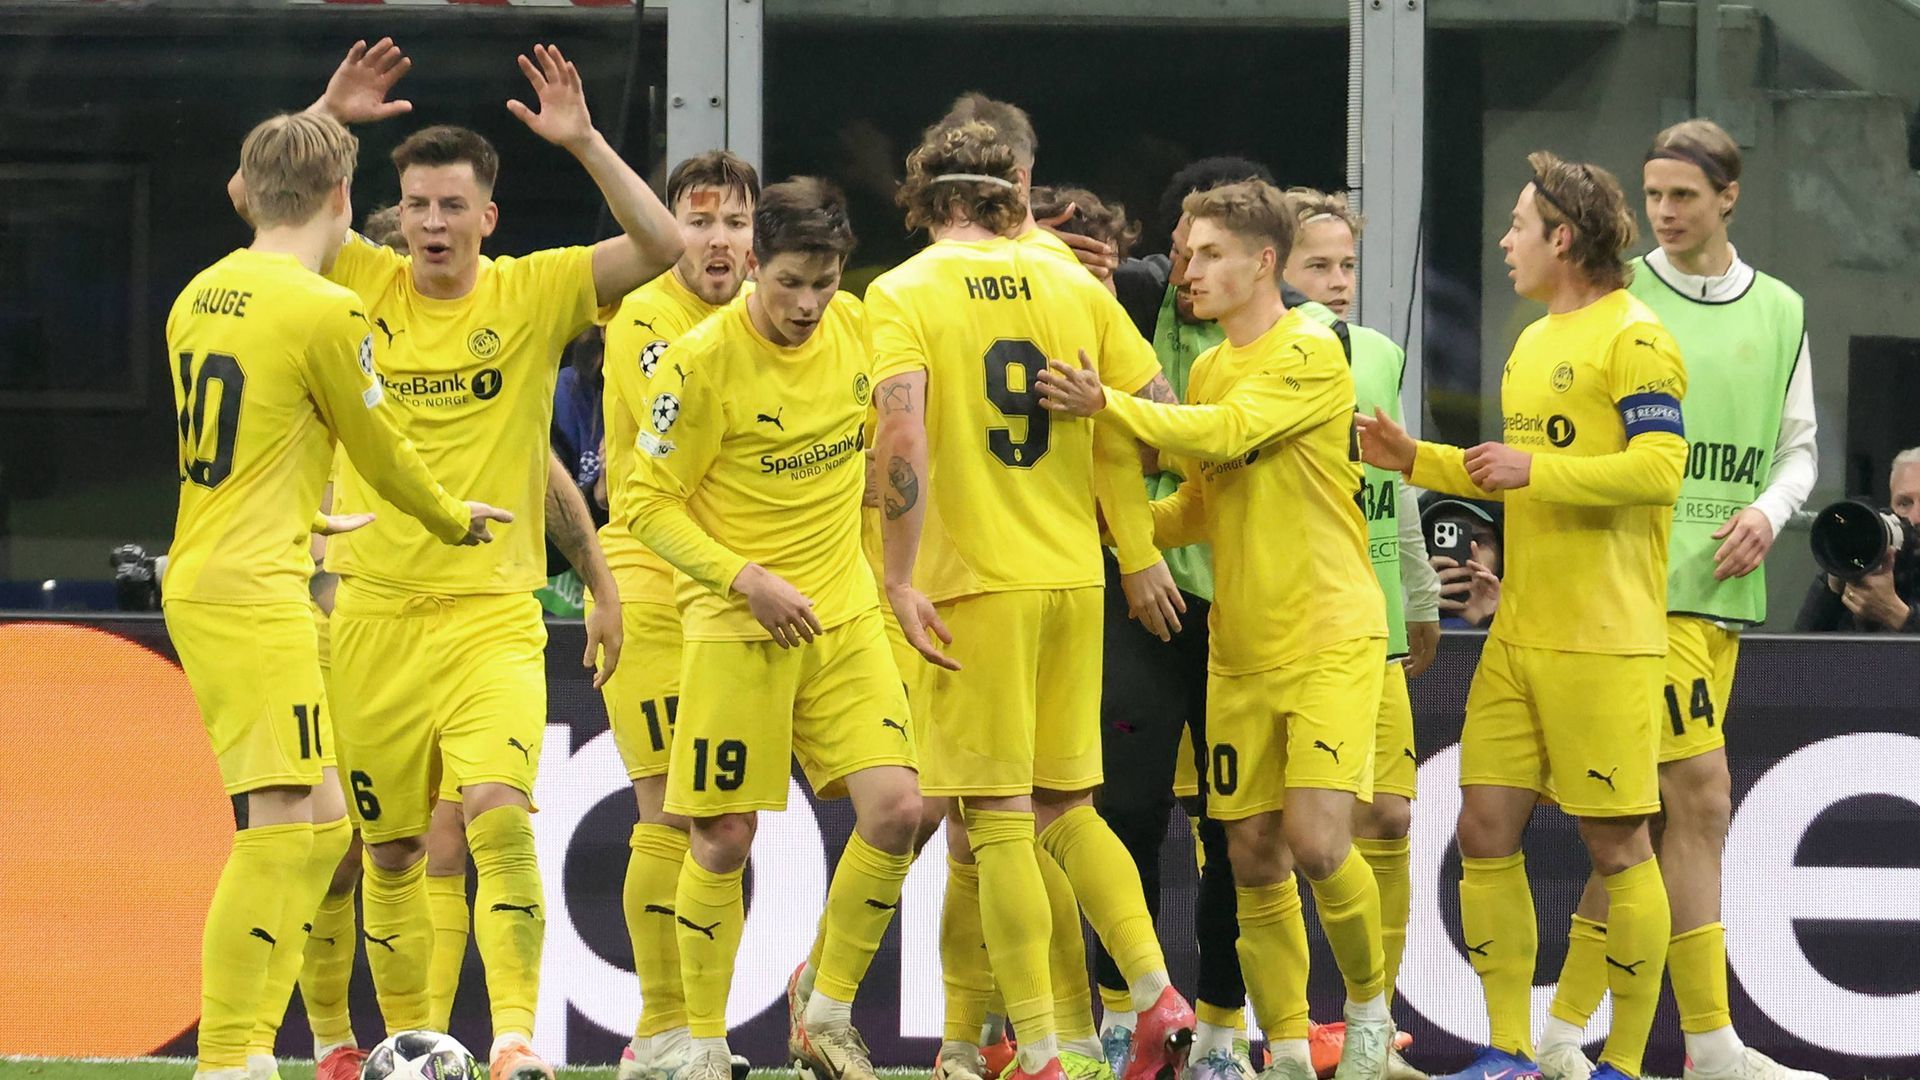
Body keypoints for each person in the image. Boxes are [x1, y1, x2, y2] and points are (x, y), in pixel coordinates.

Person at [228, 38, 683, 1080]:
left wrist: (582, 141)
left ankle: (516, 1040)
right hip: (373, 613)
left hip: (492, 614)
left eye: (452, 206)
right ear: (393, 211)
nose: (433, 223)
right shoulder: (356, 279)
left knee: (496, 815)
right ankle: (404, 1048)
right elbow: (258, 204)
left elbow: (658, 244)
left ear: (487, 216)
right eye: (418, 204)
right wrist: (328, 117)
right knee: (383, 853)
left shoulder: (532, 294)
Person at [166, 109, 506, 1080]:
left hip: (219, 565)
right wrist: (449, 516)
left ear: (246, 189)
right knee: (280, 824)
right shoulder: (327, 310)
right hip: (255, 593)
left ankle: (260, 1044)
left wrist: (303, 520)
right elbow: (381, 450)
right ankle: (229, 1058)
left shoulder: (202, 292)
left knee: (319, 825)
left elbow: (239, 445)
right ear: (345, 199)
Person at [1036, 179, 1395, 1080]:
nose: (1187, 271)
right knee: (1251, 851)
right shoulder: (1205, 366)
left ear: (1262, 262)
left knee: (1317, 842)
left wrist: (1106, 404)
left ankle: (1368, 1017)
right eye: (1187, 253)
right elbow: (1199, 501)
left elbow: (1226, 433)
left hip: (1328, 632)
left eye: (1207, 255)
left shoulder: (1312, 349)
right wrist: (1114, 532)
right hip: (1241, 647)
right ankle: (1278, 1048)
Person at [870, 109, 1194, 1080]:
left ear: (925, 198)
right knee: (1069, 807)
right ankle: (1154, 992)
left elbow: (902, 438)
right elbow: (1161, 420)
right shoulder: (1070, 283)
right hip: (1070, 575)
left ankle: (1046, 1053)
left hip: (977, 580)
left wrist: (895, 574)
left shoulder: (903, 290)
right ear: (1013, 192)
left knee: (1000, 819)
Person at [1356, 152, 1687, 1080]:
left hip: (1606, 639)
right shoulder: (1532, 338)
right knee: (1482, 831)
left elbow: (1660, 470)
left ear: (1563, 237)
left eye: (1517, 226)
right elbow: (1502, 471)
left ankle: (1622, 1059)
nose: (1504, 241)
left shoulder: (1639, 337)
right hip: (1519, 633)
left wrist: (1535, 470)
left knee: (1618, 844)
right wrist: (1409, 454)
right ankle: (1506, 1052)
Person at [1537, 118, 1825, 1080]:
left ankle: (1564, 1028)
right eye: (1653, 195)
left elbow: (1799, 448)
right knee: (1697, 801)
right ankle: (1708, 1046)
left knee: (1649, 824)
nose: (1663, 213)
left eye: (1683, 197)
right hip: (1635, 595)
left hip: (1721, 597)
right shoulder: (1622, 299)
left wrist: (1773, 514)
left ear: (1729, 197)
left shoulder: (1780, 308)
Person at [623, 177, 923, 1080]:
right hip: (736, 624)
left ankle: (823, 1007)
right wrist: (744, 578)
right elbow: (643, 501)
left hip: (841, 616)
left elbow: (892, 455)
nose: (806, 304)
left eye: (824, 282)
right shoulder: (697, 362)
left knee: (901, 810)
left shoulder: (861, 326)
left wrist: (897, 581)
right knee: (721, 837)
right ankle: (703, 1045)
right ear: (755, 266)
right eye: (791, 281)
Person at [600, 148, 759, 1080]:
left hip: (739, 590)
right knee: (671, 812)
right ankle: (664, 1035)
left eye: (734, 222)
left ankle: (697, 1030)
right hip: (654, 580)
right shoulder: (646, 320)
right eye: (699, 221)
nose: (718, 240)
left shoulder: (776, 316)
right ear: (670, 229)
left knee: (730, 818)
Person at [1280, 187, 1441, 1080]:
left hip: (1373, 624)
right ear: (1278, 267)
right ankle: (1290, 1025)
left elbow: (1398, 488)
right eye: (1319, 265)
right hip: (1291, 632)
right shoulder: (1257, 360)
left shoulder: (1379, 355)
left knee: (1389, 814)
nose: (1338, 283)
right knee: (1291, 837)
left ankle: (1371, 1029)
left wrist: (1419, 595)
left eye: (1347, 266)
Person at [1793, 447, 1920, 632]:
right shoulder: (1875, 556)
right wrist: (1833, 587)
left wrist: (1895, 614)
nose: (1915, 518)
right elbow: (1796, 654)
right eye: (1904, 503)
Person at [1420, 497, 1503, 630]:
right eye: (1442, 539)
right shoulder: (1393, 616)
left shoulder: (1527, 619)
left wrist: (1490, 620)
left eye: (1479, 540)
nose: (1467, 551)